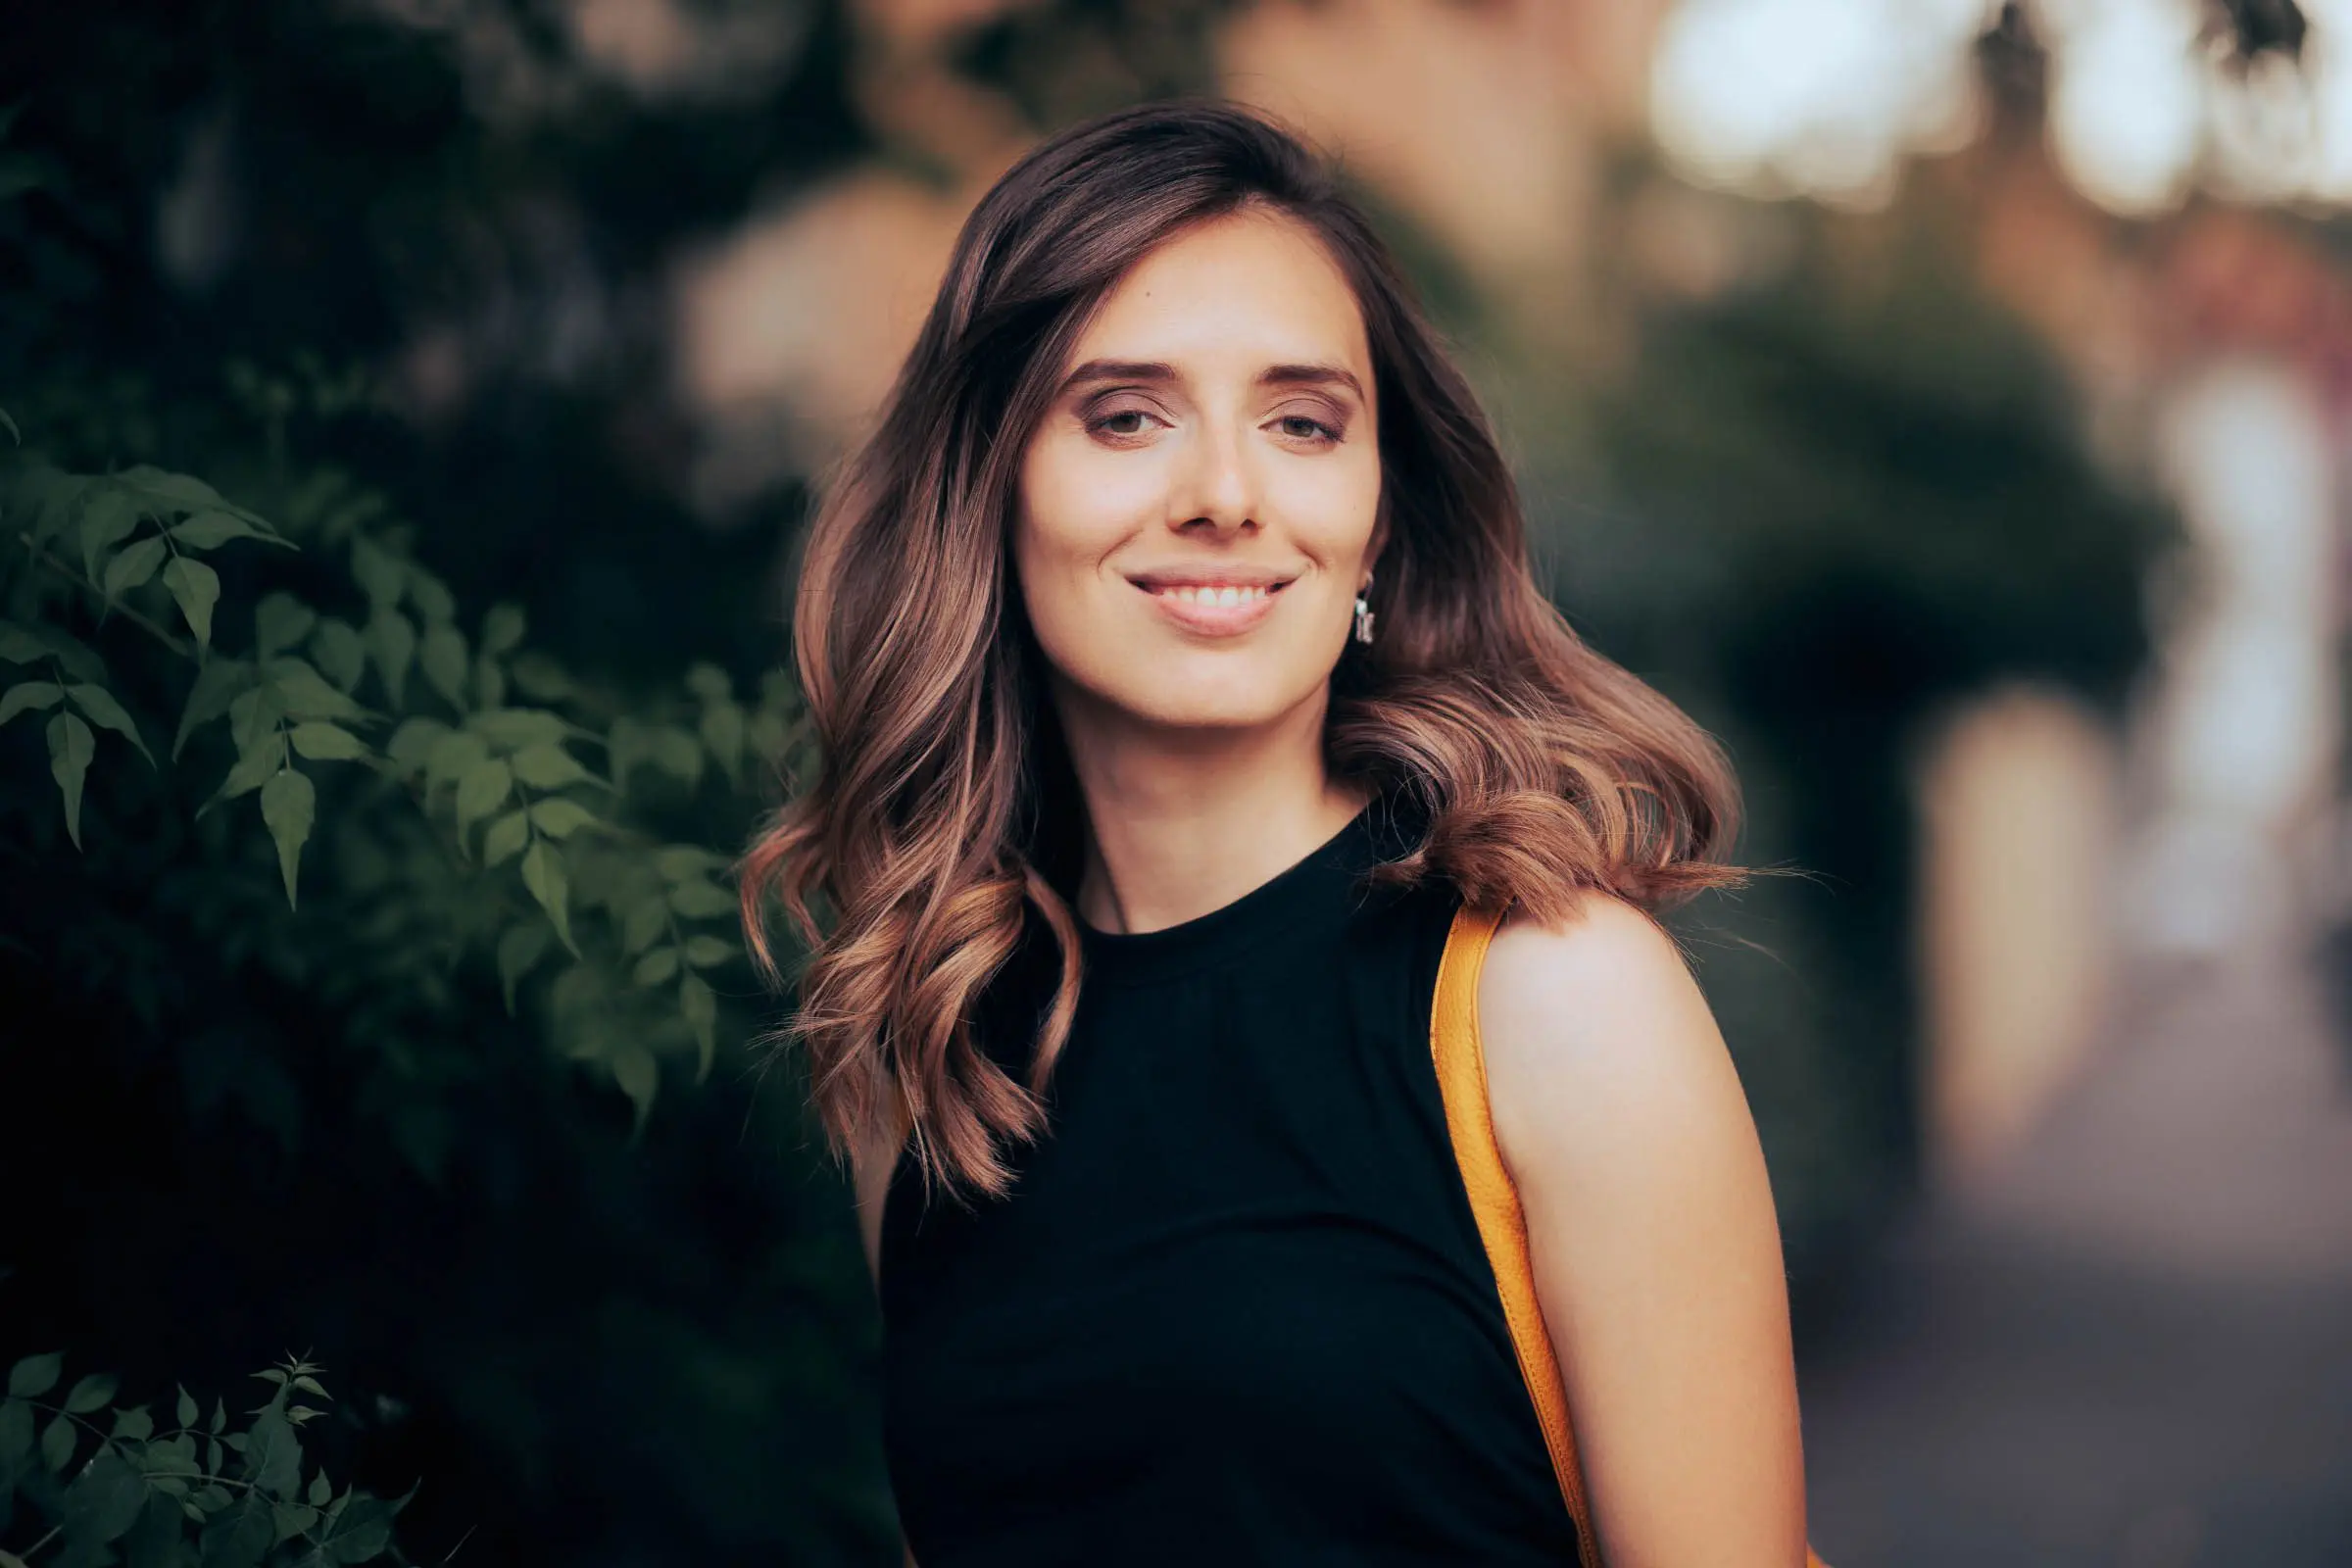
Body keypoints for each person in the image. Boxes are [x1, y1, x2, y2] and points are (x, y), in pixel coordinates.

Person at [742, 100, 1809, 1566]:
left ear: (1375, 521)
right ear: (988, 490)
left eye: (1302, 423)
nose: (1227, 497)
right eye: (1125, 416)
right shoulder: (935, 1048)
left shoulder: (1555, 999)